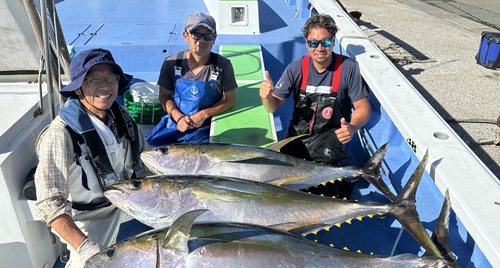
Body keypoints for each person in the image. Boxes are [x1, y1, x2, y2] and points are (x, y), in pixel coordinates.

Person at [34, 48, 146, 268]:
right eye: (94, 78)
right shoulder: (60, 135)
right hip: (90, 214)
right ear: (78, 87)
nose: (104, 86)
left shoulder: (119, 113)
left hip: (125, 196)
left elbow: (144, 153)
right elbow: (50, 203)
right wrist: (83, 247)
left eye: (111, 78)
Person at [259, 13, 371, 170]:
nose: (320, 48)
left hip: (329, 140)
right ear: (306, 43)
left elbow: (363, 107)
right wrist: (267, 96)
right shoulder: (296, 68)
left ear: (333, 42)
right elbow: (272, 107)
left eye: (325, 42)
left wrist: (352, 127)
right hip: (297, 137)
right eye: (313, 43)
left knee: (329, 161)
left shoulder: (348, 68)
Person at [146, 12, 238, 147]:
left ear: (214, 38)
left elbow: (230, 100)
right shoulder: (171, 63)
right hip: (174, 121)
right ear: (185, 36)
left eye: (208, 35)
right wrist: (179, 117)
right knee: (150, 149)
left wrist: (203, 114)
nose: (201, 40)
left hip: (204, 126)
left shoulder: (223, 66)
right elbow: (164, 97)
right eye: (195, 34)